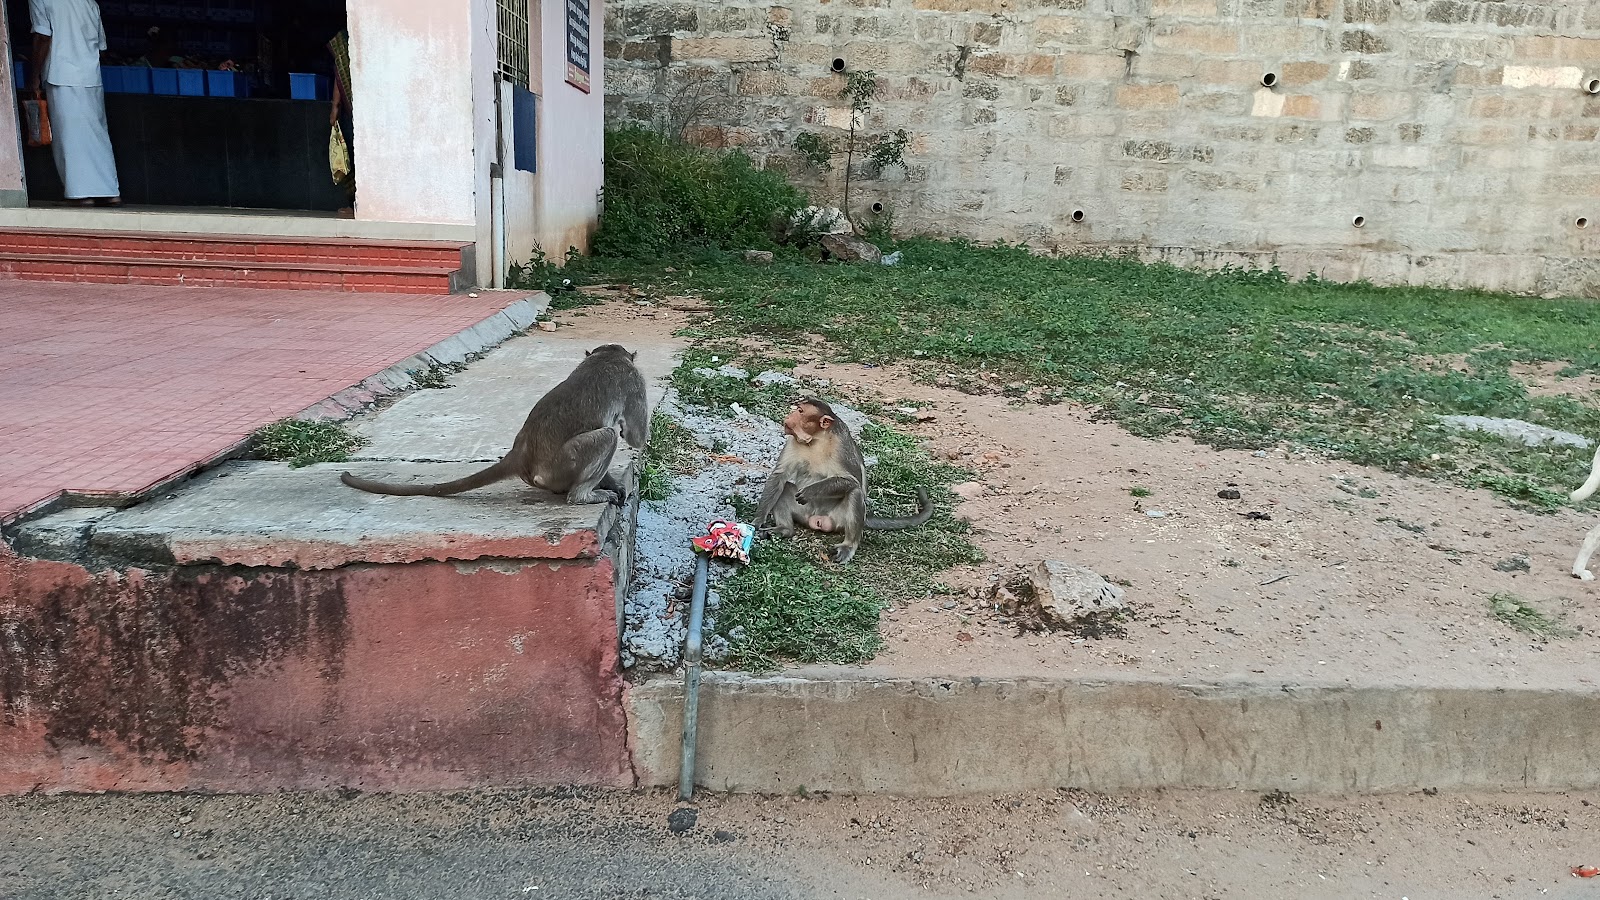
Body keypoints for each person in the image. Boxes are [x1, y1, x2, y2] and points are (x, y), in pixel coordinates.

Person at [26, 0, 121, 206]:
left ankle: (81, 194)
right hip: (90, 77)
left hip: (62, 74)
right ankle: (110, 192)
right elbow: (101, 47)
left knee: (69, 137)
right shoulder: (90, 3)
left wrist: (34, 77)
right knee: (97, 135)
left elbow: (42, 37)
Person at [327, 28, 354, 214]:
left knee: (350, 162)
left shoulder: (344, 59)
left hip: (353, 118)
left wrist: (334, 110)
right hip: (356, 116)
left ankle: (355, 205)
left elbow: (338, 88)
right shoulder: (349, 59)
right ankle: (355, 204)